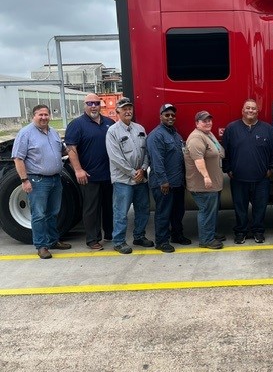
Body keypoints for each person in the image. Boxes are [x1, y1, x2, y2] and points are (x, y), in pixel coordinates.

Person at [11, 104, 72, 259]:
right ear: (34, 116)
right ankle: (41, 246)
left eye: (46, 114)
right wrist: (24, 180)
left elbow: (62, 151)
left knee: (53, 213)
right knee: (39, 214)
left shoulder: (53, 132)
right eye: (40, 115)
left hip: (55, 179)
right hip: (37, 180)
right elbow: (18, 158)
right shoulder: (25, 134)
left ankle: (53, 241)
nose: (44, 117)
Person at [222, 99, 273, 244]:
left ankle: (258, 232)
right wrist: (228, 169)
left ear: (257, 111)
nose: (250, 111)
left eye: (253, 109)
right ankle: (241, 232)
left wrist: (272, 169)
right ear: (242, 111)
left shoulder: (268, 129)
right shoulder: (231, 128)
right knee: (240, 208)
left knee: (260, 208)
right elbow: (224, 152)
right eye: (247, 108)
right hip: (238, 179)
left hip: (261, 179)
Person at [64, 93, 115, 250]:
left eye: (96, 103)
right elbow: (71, 149)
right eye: (90, 103)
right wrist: (78, 170)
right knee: (91, 208)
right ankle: (92, 239)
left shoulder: (109, 123)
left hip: (109, 175)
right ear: (84, 105)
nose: (93, 106)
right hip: (89, 176)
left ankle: (110, 233)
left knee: (109, 206)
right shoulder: (76, 124)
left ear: (101, 105)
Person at [105, 96, 154, 254]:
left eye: (129, 108)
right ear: (117, 111)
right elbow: (115, 158)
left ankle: (139, 236)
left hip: (141, 178)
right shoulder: (112, 132)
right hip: (123, 180)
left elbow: (146, 151)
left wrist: (144, 168)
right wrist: (133, 173)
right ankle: (118, 241)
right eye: (124, 108)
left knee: (143, 209)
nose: (128, 111)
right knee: (121, 212)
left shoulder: (140, 128)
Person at [147, 103, 191, 253]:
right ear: (160, 116)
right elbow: (157, 160)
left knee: (178, 212)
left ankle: (177, 235)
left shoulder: (176, 135)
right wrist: (163, 181)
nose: (170, 117)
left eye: (172, 115)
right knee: (163, 213)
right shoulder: (156, 135)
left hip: (177, 182)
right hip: (164, 184)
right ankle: (161, 241)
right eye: (167, 115)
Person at [184, 111, 225, 249]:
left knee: (212, 211)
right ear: (197, 123)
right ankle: (206, 240)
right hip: (203, 185)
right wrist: (206, 177)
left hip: (213, 184)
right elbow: (198, 160)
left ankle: (210, 233)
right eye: (204, 121)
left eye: (209, 120)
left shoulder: (207, 134)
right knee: (206, 211)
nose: (208, 123)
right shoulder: (196, 138)